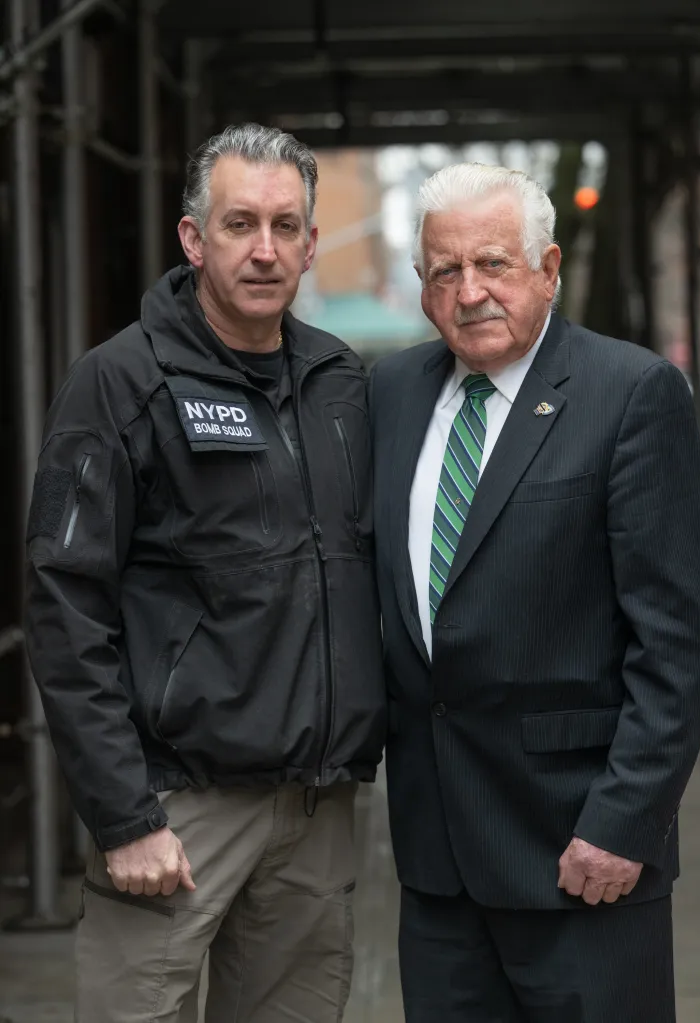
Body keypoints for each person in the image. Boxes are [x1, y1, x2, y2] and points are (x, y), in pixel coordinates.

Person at [25, 123, 385, 1022]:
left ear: (310, 241)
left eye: (285, 225)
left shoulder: (341, 383)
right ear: (194, 238)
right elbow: (66, 606)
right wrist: (123, 813)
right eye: (238, 224)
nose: (264, 249)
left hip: (316, 809)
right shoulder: (118, 383)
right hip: (177, 812)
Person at [370, 163, 700, 1023]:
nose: (470, 291)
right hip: (438, 861)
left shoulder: (631, 393)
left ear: (550, 267)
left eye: (494, 263)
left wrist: (624, 823)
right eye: (444, 271)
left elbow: (674, 643)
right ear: (421, 282)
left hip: (583, 853)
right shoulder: (387, 394)